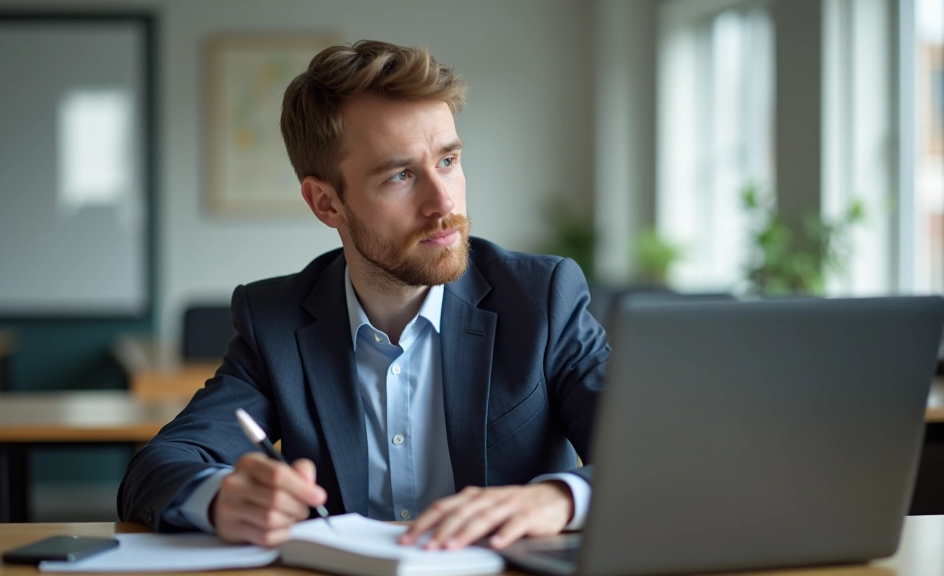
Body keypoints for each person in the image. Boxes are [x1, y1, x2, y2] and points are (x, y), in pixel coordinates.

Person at [118, 40, 609, 551]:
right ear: (326, 203)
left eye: (447, 160)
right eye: (400, 175)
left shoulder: (540, 298)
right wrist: (223, 497)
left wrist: (557, 499)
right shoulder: (276, 322)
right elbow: (158, 466)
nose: (443, 202)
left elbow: (653, 459)